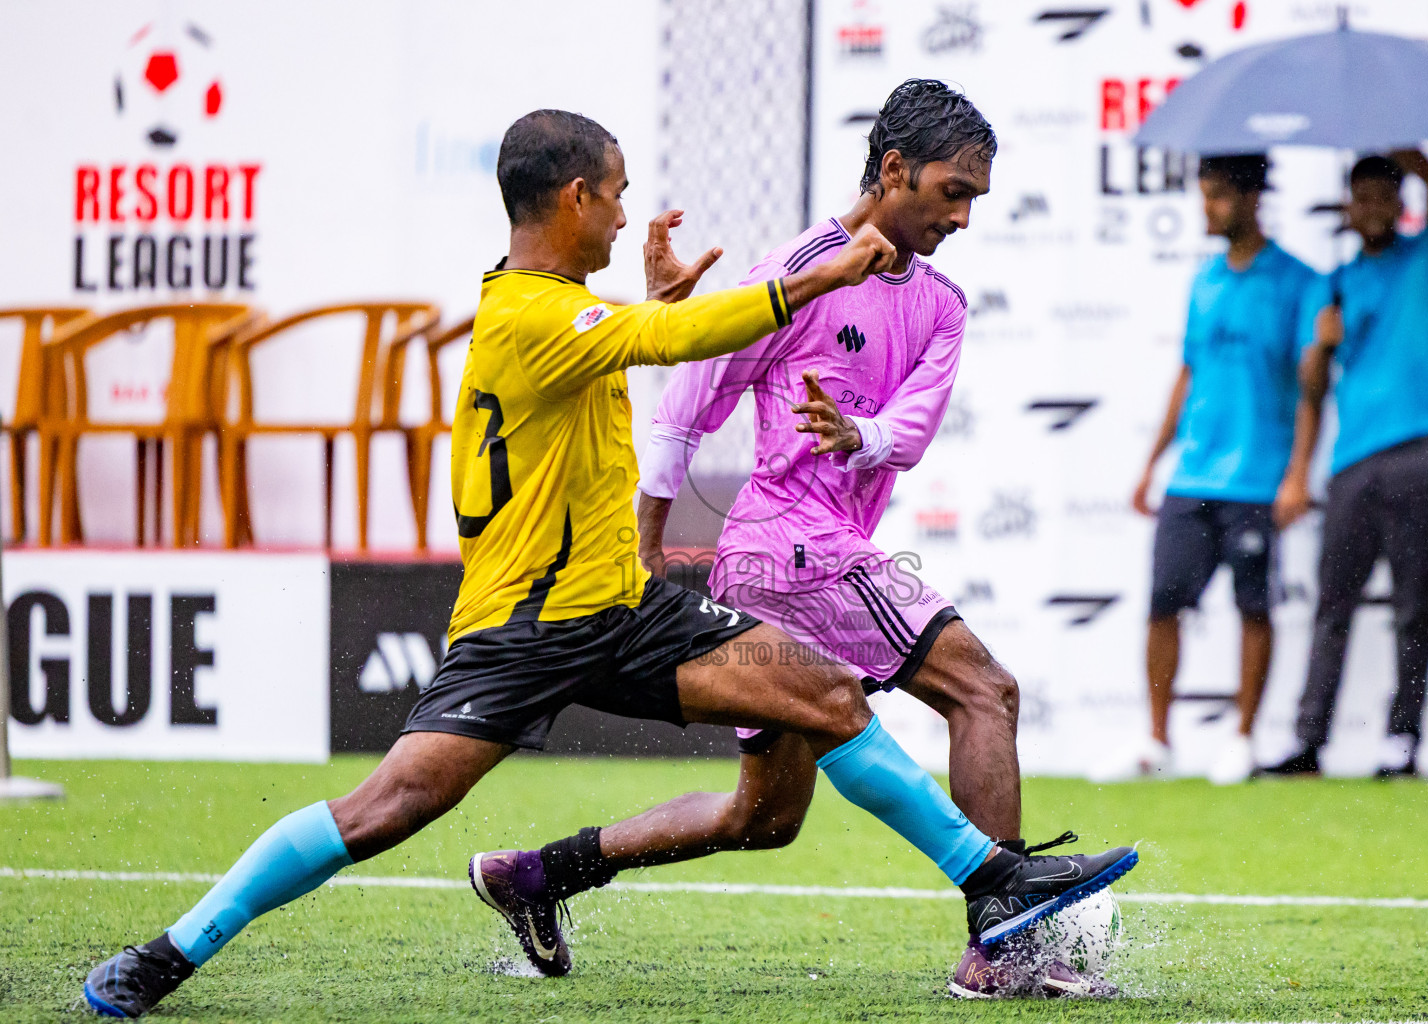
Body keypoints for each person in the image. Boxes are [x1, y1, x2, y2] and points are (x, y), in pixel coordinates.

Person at [83, 109, 1136, 1019]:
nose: (629, 217)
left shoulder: (556, 313)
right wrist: (821, 275)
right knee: (383, 811)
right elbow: (672, 350)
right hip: (524, 631)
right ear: (576, 195)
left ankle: (991, 880)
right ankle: (169, 953)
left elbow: (641, 341)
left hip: (620, 608)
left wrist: (665, 307)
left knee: (822, 693)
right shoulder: (530, 317)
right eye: (619, 196)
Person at [471, 80, 1116, 1002]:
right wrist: (648, 545)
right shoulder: (804, 267)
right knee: (983, 689)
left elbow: (915, 429)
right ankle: (1001, 940)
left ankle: (537, 875)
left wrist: (862, 437)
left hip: (808, 550)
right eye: (951, 191)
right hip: (791, 544)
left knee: (763, 816)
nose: (965, 215)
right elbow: (693, 405)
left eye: (976, 197)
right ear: (893, 171)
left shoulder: (942, 303)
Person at [1101, 154, 1319, 785]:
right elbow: (1189, 373)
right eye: (1204, 196)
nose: (1208, 209)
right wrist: (1151, 463)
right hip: (1192, 475)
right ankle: (1156, 741)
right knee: (1163, 604)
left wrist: (1298, 472)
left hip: (1257, 477)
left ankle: (1242, 738)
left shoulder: (1301, 282)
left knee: (1253, 608)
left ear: (1253, 199)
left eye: (1219, 197)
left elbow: (1312, 388)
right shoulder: (1204, 280)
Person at [1265, 150, 1428, 779]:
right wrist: (1321, 344)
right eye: (1361, 195)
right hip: (1351, 462)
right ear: (1347, 204)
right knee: (1333, 607)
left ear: (1400, 203)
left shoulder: (1427, 256)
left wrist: (1411, 152)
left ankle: (1401, 740)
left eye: (1384, 195)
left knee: (1414, 603)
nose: (1371, 206)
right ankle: (1310, 741)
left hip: (1419, 452)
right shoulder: (1335, 282)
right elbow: (1312, 389)